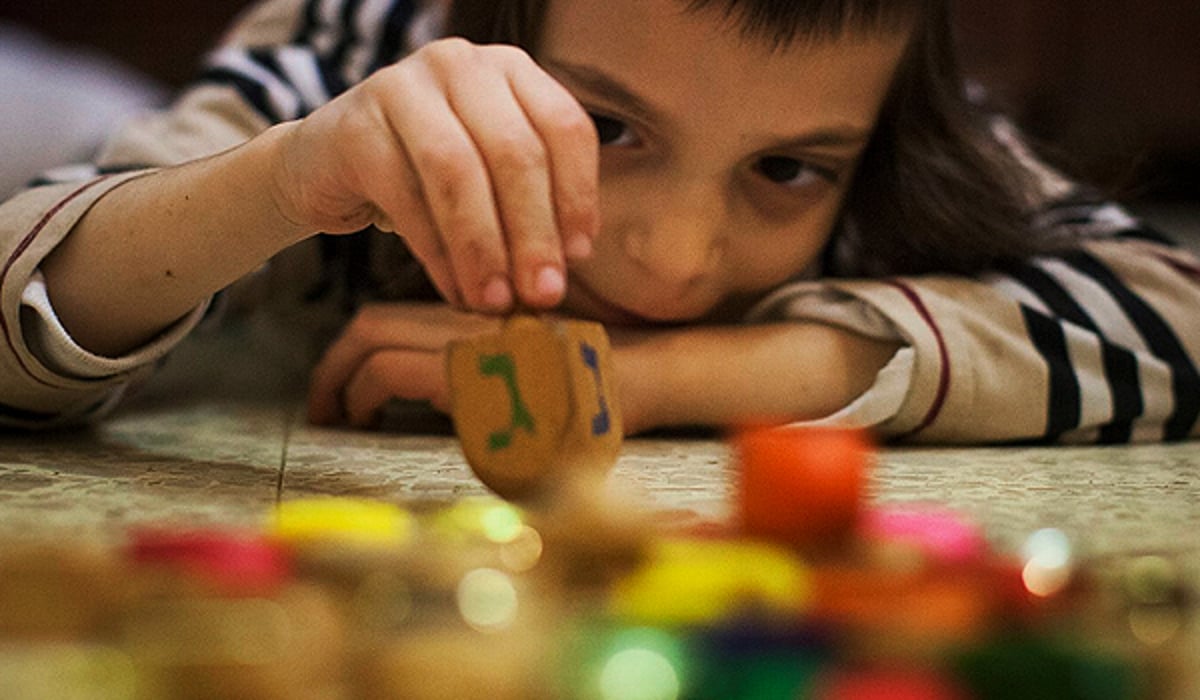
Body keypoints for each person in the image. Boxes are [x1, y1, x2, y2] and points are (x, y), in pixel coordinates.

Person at [0, 0, 1196, 443]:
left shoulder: (897, 137)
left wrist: (658, 376)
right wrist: (281, 181)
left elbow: (1175, 307)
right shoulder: (358, 61)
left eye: (786, 169)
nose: (675, 261)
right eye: (608, 131)